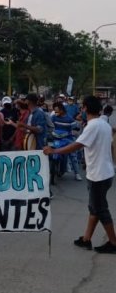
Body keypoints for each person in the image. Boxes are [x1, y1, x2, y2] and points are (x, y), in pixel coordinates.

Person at [44, 96, 116, 254]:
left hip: (98, 174)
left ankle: (113, 243)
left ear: (84, 108)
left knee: (101, 209)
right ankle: (86, 239)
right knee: (95, 208)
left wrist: (54, 150)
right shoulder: (103, 124)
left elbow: (77, 145)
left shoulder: (93, 126)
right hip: (104, 172)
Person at [51, 102, 82, 181]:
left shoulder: (69, 119)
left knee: (73, 155)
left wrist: (76, 128)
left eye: (57, 111)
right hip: (56, 138)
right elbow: (50, 125)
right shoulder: (54, 117)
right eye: (55, 111)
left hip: (67, 138)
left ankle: (77, 173)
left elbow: (76, 126)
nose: (55, 113)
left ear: (62, 110)